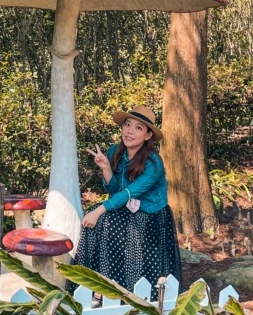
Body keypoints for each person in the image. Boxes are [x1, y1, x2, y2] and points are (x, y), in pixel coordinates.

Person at [73, 105, 181, 298]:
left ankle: (119, 288)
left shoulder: (153, 163)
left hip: (151, 214)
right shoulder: (116, 151)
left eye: (138, 128)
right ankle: (95, 283)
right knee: (97, 216)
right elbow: (116, 191)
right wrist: (106, 168)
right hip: (126, 207)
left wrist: (99, 212)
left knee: (103, 217)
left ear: (148, 135)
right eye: (127, 125)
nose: (130, 131)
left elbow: (131, 193)